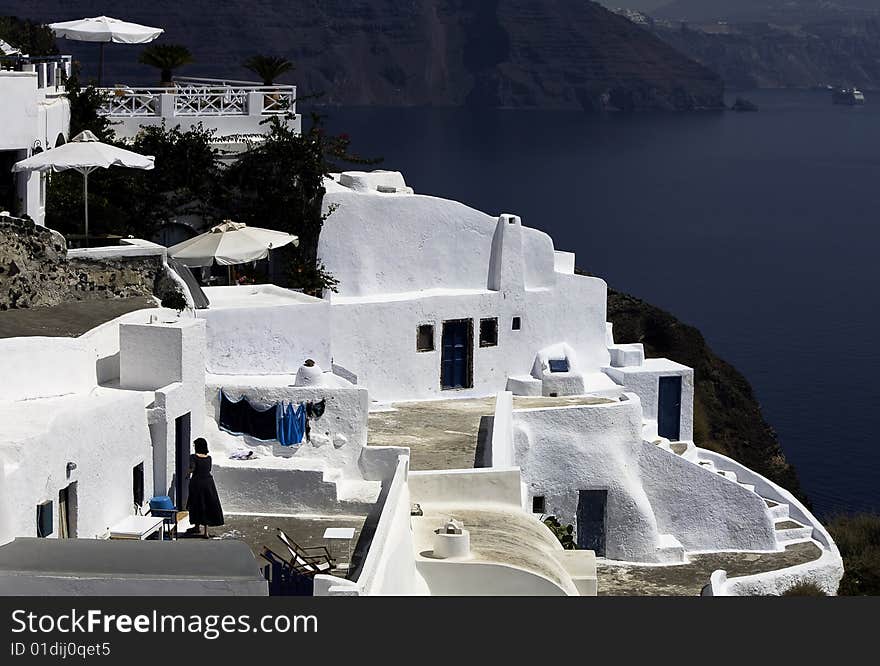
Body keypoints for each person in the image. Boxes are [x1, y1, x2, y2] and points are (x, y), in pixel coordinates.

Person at [185, 438, 224, 538]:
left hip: (197, 483)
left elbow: (193, 468)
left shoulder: (193, 457)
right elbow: (209, 469)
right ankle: (205, 532)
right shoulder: (209, 458)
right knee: (207, 504)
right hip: (208, 483)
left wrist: (187, 472)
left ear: (197, 446)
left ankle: (197, 527)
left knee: (196, 504)